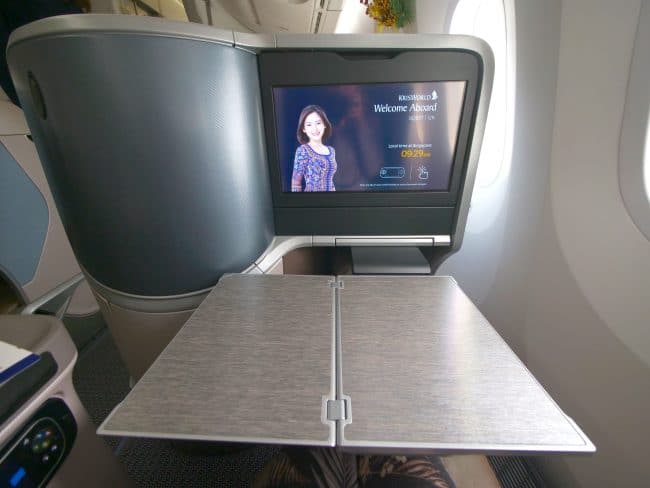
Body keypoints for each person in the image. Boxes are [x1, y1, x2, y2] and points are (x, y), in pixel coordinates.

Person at [291, 105, 337, 192]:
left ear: (324, 124)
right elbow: (296, 183)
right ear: (303, 129)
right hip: (312, 202)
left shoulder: (331, 151)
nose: (315, 128)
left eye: (318, 123)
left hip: (332, 202)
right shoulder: (303, 151)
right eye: (309, 125)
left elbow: (331, 181)